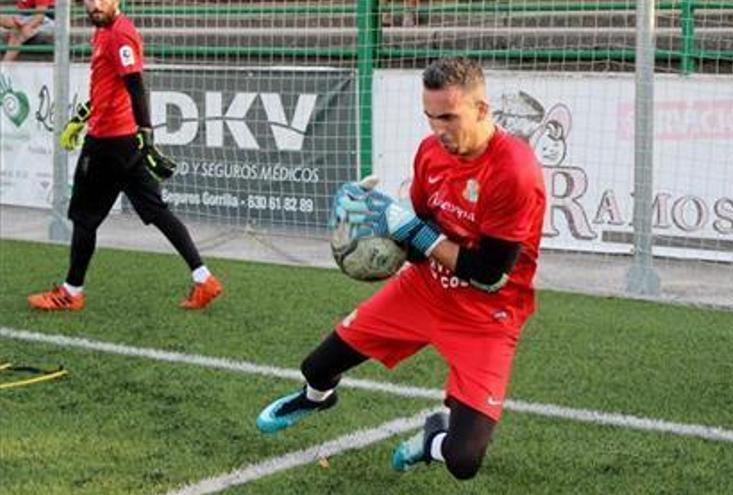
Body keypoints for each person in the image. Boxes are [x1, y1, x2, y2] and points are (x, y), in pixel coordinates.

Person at [256, 57, 546, 480]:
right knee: (315, 368)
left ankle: (433, 437)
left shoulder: (514, 171)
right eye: (430, 118)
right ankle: (317, 398)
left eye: (449, 117)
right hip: (425, 289)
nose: (439, 130)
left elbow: (488, 273)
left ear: (482, 109)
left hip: (487, 313)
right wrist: (368, 229)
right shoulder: (430, 152)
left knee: (464, 461)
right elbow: (419, 241)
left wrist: (411, 228)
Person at [27, 0, 223, 311]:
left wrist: (146, 133)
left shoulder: (120, 34)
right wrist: (80, 118)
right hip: (122, 142)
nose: (94, 5)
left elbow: (135, 86)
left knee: (84, 218)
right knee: (157, 211)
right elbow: (104, 89)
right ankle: (204, 279)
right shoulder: (102, 31)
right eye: (88, 0)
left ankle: (71, 291)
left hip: (108, 144)